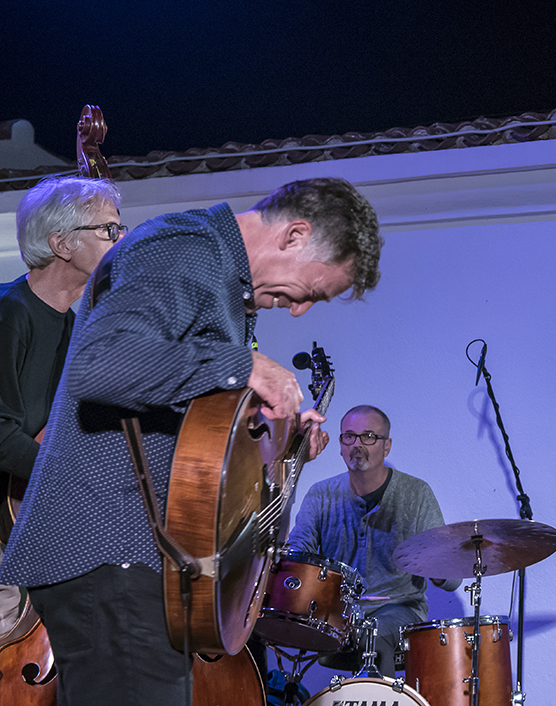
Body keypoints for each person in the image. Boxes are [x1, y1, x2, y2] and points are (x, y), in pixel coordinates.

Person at [0, 176, 383, 705]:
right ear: (295, 236)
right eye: (313, 292)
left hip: (137, 563)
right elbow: (102, 365)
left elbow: (190, 430)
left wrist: (281, 441)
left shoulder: (220, 280)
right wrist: (243, 364)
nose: (299, 311)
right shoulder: (185, 247)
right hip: (107, 552)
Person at [0, 175, 123, 637]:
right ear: (61, 243)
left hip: (25, 526)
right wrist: (72, 478)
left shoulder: (74, 327)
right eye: (109, 230)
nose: (121, 239)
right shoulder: (10, 314)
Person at [287, 404, 461, 678]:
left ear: (386, 446)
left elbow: (451, 579)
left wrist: (431, 562)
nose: (357, 445)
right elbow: (298, 556)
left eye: (369, 436)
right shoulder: (321, 494)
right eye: (349, 437)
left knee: (374, 634)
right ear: (341, 444)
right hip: (339, 616)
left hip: (400, 610)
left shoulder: (415, 493)